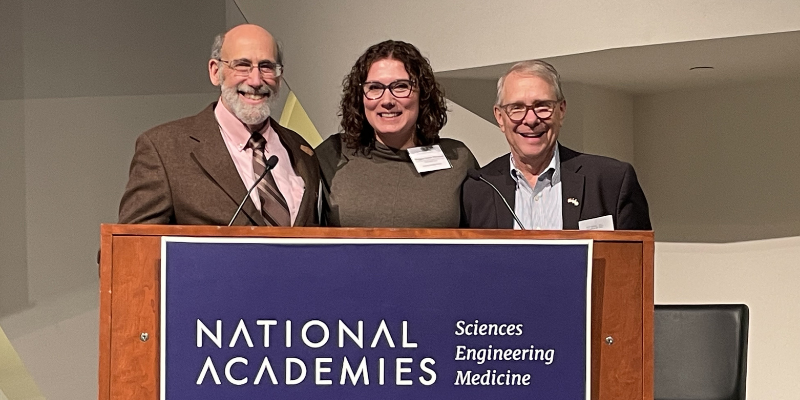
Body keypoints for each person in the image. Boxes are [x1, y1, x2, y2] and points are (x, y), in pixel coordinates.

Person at [118, 24, 319, 226]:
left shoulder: (303, 152)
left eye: (266, 67)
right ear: (216, 72)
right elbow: (129, 248)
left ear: (280, 76)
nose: (256, 80)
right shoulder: (164, 149)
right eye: (242, 65)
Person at [462, 60, 651, 230]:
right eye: (517, 108)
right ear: (500, 117)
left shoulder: (612, 181)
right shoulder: (477, 188)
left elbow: (636, 263)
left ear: (561, 111)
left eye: (542, 106)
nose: (531, 119)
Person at [316, 40, 478, 227]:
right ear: (360, 97)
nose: (387, 100)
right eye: (374, 87)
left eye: (401, 86)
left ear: (422, 94)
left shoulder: (457, 158)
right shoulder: (332, 154)